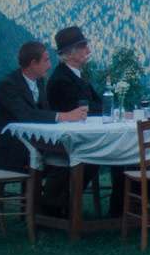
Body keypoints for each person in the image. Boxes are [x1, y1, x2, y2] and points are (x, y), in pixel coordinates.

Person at [45, 26, 112, 216]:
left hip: (81, 137)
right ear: (68, 53)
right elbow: (86, 110)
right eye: (83, 47)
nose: (89, 51)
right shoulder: (61, 79)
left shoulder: (78, 75)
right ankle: (57, 204)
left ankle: (120, 206)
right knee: (98, 154)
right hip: (67, 141)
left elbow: (97, 103)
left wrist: (115, 111)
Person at [0, 41, 87, 173]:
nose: (49, 65)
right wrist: (65, 116)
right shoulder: (8, 85)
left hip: (38, 145)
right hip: (17, 151)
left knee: (78, 156)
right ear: (33, 64)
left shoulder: (39, 81)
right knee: (69, 160)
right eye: (46, 60)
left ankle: (56, 193)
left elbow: (43, 111)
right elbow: (26, 115)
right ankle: (53, 194)